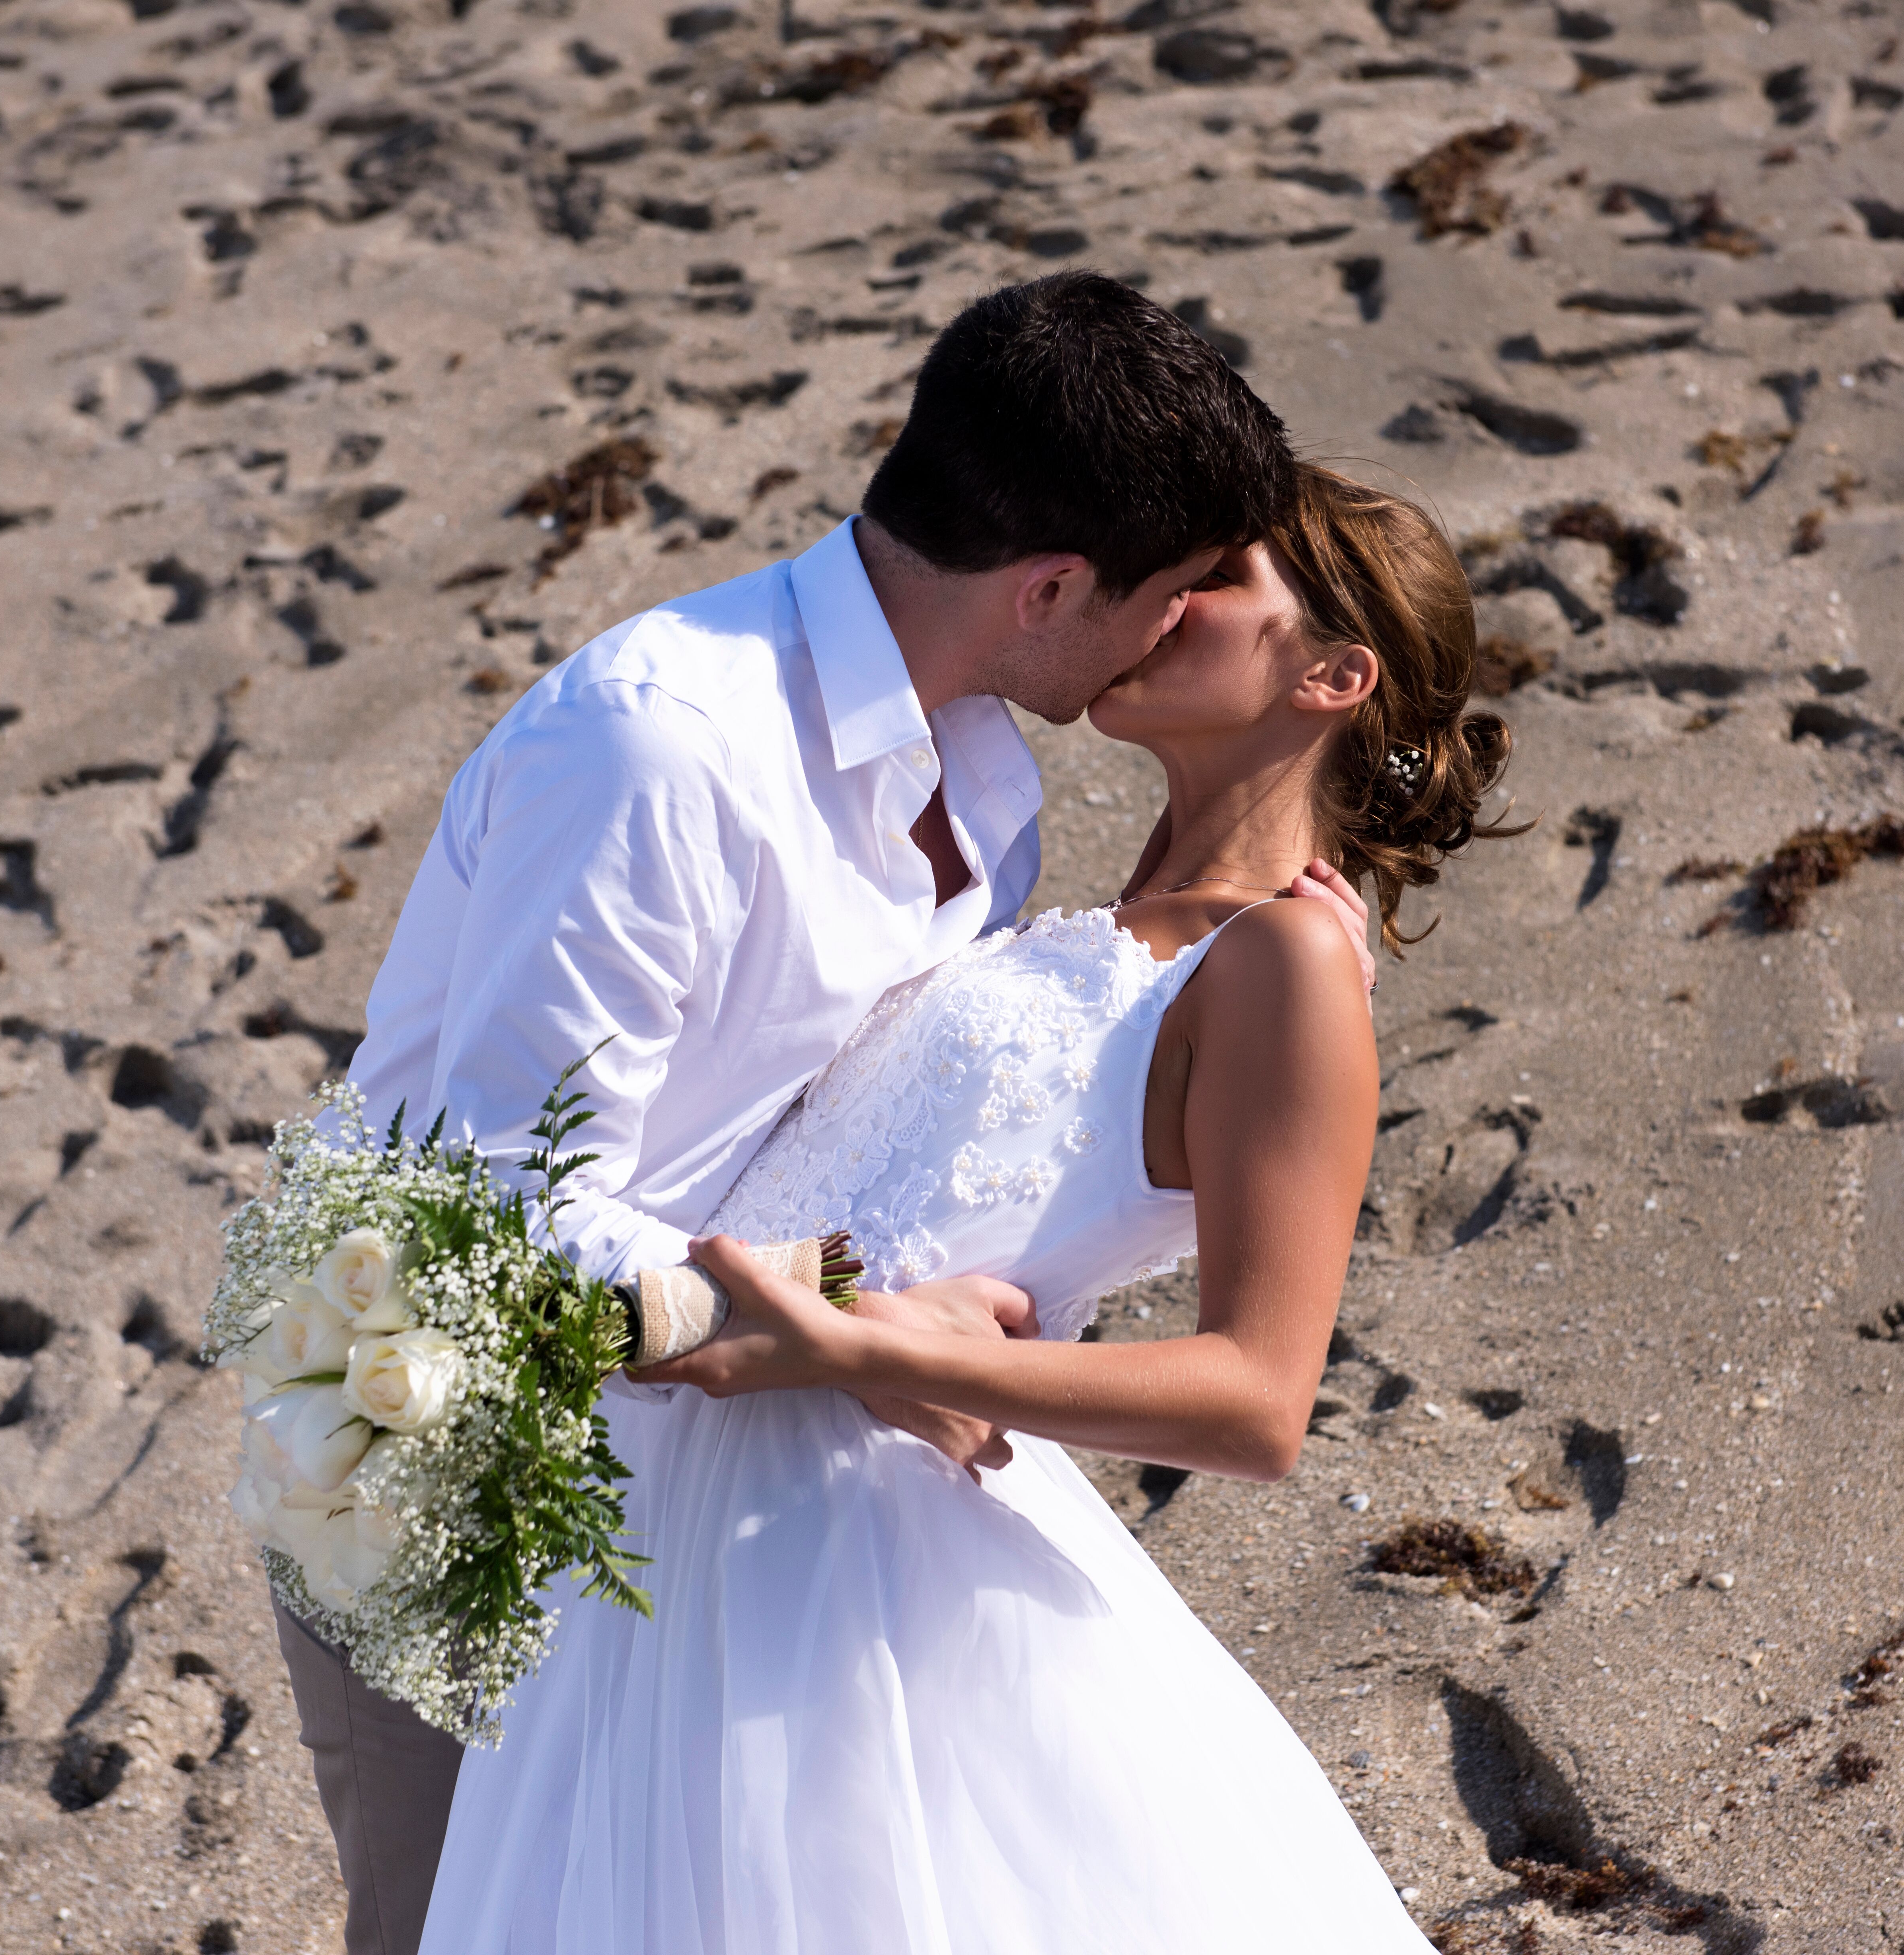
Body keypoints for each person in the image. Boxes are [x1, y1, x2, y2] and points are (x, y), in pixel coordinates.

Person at [271, 271, 1362, 1955]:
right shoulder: (662, 756)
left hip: (730, 1499)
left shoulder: (985, 780)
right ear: (1051, 583)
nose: (1174, 632)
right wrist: (846, 1318)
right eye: (1168, 596)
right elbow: (479, 1205)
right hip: (449, 1466)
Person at [421, 464, 1524, 1954]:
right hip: (686, 1503)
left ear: (1332, 675)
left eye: (1221, 584)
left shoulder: (1286, 966)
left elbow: (1259, 1400)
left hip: (866, 1574)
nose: (1167, 601)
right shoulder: (1077, 896)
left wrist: (871, 1355)